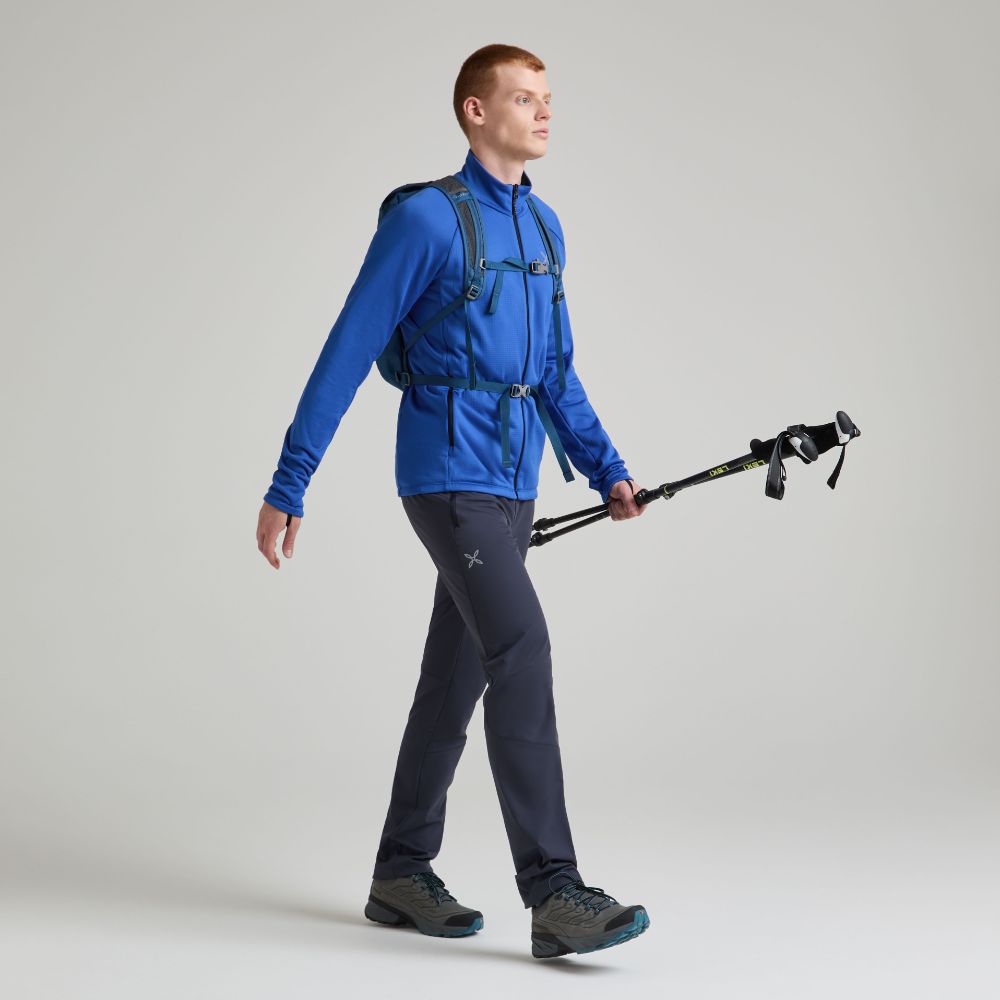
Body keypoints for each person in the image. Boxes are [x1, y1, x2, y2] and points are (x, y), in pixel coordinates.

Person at [256, 43, 650, 959]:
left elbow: (554, 371)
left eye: (548, 98)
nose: (544, 112)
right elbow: (348, 346)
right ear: (476, 111)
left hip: (515, 485)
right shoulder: (427, 220)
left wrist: (606, 469)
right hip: (446, 478)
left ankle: (400, 872)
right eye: (523, 97)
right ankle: (554, 892)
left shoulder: (545, 227)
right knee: (523, 646)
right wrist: (289, 481)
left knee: (457, 675)